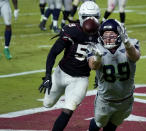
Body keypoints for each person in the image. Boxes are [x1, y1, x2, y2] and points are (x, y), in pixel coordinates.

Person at [38, 1, 100, 131]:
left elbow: (104, 59)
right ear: (81, 16)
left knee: (69, 109)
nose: (91, 20)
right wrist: (48, 75)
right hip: (62, 73)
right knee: (47, 103)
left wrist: (99, 76)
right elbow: (53, 52)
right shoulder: (72, 30)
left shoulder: (101, 34)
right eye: (87, 17)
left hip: (81, 79)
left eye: (94, 16)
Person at [87, 19, 141, 131]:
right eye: (105, 36)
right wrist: (97, 58)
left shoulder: (130, 43)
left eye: (112, 35)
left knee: (113, 124)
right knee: (98, 123)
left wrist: (127, 43)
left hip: (126, 97)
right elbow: (93, 66)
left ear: (119, 35)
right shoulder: (96, 48)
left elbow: (135, 57)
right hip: (105, 99)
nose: (108, 38)